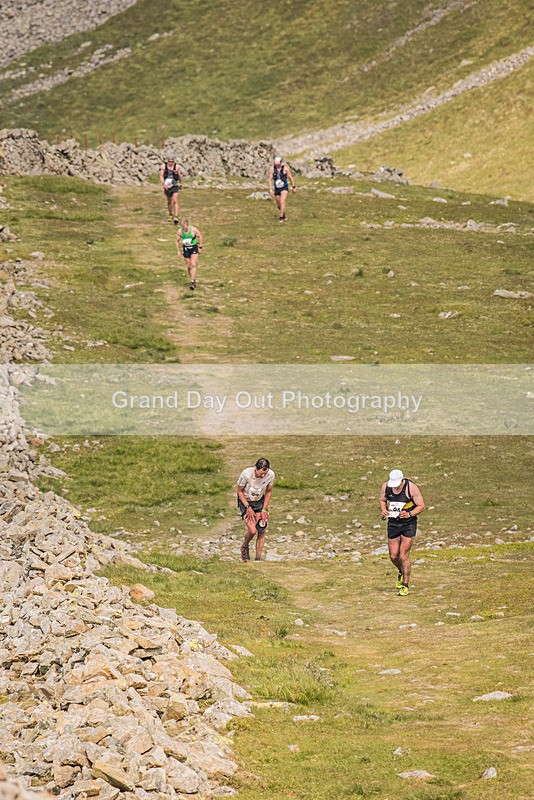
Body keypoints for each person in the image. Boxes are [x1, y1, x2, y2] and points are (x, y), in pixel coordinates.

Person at [379, 469, 425, 596]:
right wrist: (384, 510)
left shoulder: (411, 488)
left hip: (408, 523)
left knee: (403, 555)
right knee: (393, 556)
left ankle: (405, 585)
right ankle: (401, 571)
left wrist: (409, 513)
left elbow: (421, 505)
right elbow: (382, 500)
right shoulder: (386, 486)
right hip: (393, 522)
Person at [236, 457, 275, 562]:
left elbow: (268, 491)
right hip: (246, 500)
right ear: (256, 469)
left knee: (262, 528)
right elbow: (239, 491)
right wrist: (247, 507)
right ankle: (245, 546)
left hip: (259, 501)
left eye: (264, 474)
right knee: (252, 530)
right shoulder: (246, 474)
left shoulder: (271, 475)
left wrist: (264, 509)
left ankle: (258, 558)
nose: (262, 476)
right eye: (260, 473)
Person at [176, 219, 203, 290]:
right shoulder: (180, 231)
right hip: (186, 249)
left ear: (187, 225)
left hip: (194, 248)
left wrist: (200, 247)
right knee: (189, 266)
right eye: (182, 227)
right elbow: (176, 241)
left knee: (193, 264)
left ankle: (192, 282)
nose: (184, 228)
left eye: (185, 227)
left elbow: (200, 236)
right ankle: (193, 278)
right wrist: (178, 251)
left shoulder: (193, 230)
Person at [268, 156, 296, 222]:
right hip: (277, 188)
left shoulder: (285, 169)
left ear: (281, 163)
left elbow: (291, 178)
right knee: (278, 204)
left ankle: (281, 217)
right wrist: (271, 189)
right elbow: (270, 179)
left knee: (282, 201)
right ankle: (283, 214)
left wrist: (293, 187)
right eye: (276, 164)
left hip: (284, 187)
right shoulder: (272, 169)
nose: (277, 166)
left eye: (278, 164)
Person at [160, 157, 183, 222]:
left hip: (175, 185)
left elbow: (179, 175)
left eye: (172, 162)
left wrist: (180, 183)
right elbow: (161, 175)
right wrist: (163, 184)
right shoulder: (164, 166)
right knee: (169, 202)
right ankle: (170, 214)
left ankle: (176, 217)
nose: (170, 163)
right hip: (167, 186)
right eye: (169, 161)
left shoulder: (177, 167)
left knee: (175, 201)